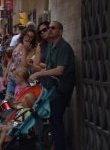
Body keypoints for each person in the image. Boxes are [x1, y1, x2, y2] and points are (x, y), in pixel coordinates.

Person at [30, 21, 75, 150]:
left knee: (56, 119)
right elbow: (50, 67)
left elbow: (60, 70)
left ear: (60, 31)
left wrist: (39, 74)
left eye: (52, 28)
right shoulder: (51, 46)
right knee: (54, 120)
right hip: (52, 89)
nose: (49, 30)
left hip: (61, 89)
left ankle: (60, 147)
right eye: (48, 28)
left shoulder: (64, 47)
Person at [4, 28, 36, 97]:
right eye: (27, 35)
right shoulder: (19, 44)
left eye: (31, 37)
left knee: (18, 103)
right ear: (23, 35)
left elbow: (24, 65)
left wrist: (25, 49)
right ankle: (5, 108)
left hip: (21, 80)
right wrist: (6, 75)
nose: (28, 38)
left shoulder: (32, 49)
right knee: (7, 101)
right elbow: (11, 61)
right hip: (12, 77)